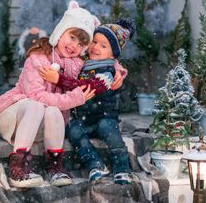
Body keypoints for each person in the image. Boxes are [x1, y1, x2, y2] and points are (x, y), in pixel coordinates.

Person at [0, 0, 100, 189]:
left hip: (40, 127)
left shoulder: (77, 67)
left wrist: (118, 72)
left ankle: (55, 165)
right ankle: (18, 165)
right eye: (72, 37)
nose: (75, 45)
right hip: (15, 116)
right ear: (61, 31)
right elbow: (37, 96)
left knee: (54, 111)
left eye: (82, 43)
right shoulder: (39, 57)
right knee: (37, 104)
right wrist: (74, 98)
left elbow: (104, 64)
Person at [39, 19, 135, 185]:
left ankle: (122, 168)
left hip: (104, 117)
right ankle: (95, 164)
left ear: (113, 55)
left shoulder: (108, 71)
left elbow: (87, 87)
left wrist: (59, 80)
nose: (96, 47)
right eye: (95, 42)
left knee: (110, 132)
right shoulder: (83, 61)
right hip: (83, 118)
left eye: (103, 46)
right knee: (72, 129)